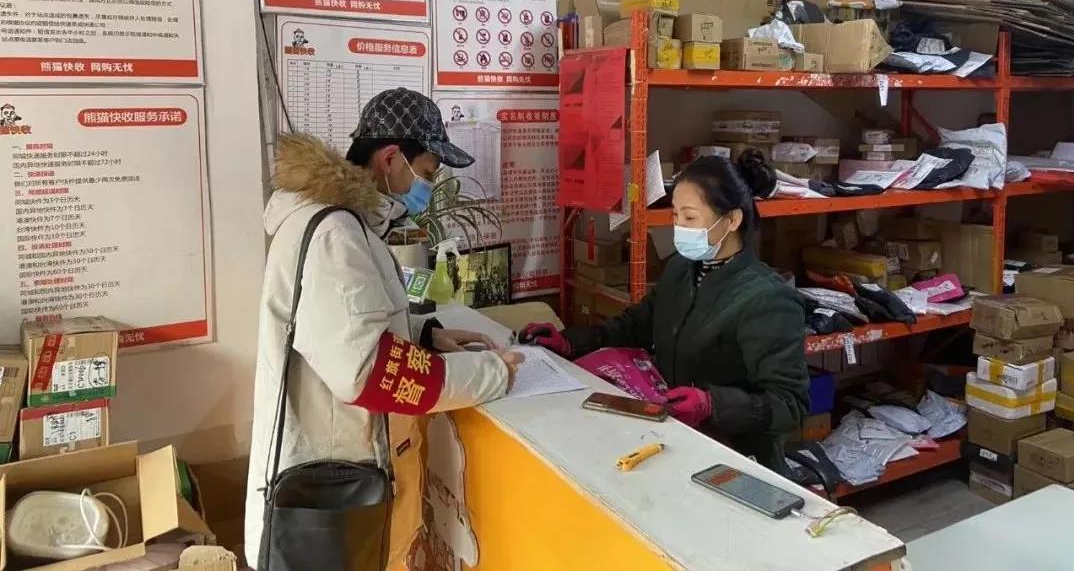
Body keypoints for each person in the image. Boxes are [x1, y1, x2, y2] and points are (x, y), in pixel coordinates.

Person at [246, 87, 522, 568]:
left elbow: (343, 331)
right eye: (427, 172)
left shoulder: (344, 224)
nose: (428, 187)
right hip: (330, 492)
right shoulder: (335, 234)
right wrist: (493, 373)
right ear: (391, 158)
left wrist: (425, 336)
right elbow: (369, 373)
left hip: (334, 483)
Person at [521, 152, 809, 474]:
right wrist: (570, 342)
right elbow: (637, 324)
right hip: (675, 436)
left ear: (732, 220)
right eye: (674, 215)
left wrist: (712, 404)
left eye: (690, 218)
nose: (679, 227)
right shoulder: (682, 268)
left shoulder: (767, 299)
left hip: (735, 457)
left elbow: (790, 405)